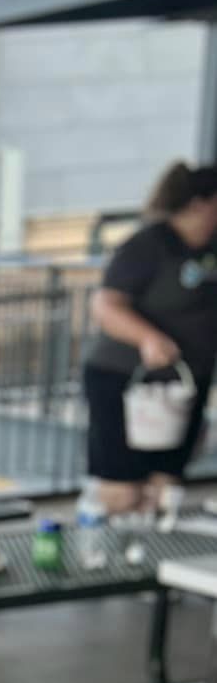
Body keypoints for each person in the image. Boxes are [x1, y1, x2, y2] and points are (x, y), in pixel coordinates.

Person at [83, 159, 217, 512]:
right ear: (200, 204)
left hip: (187, 384)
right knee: (124, 489)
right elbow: (105, 305)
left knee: (166, 486)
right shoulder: (149, 244)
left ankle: (151, 555)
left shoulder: (210, 249)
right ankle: (111, 554)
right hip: (125, 380)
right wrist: (148, 338)